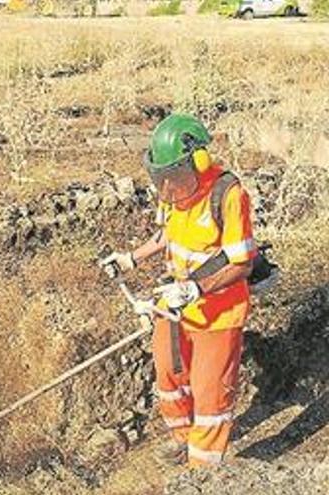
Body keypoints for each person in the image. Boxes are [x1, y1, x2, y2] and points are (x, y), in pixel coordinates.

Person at [101, 113, 256, 468]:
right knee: (169, 378)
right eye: (161, 178)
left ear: (198, 162)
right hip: (174, 304)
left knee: (209, 394)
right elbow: (167, 233)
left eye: (173, 177)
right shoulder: (173, 189)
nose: (166, 189)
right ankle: (183, 440)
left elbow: (242, 262)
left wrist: (196, 288)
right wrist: (130, 259)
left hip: (218, 313)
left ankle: (201, 473)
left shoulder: (228, 195)